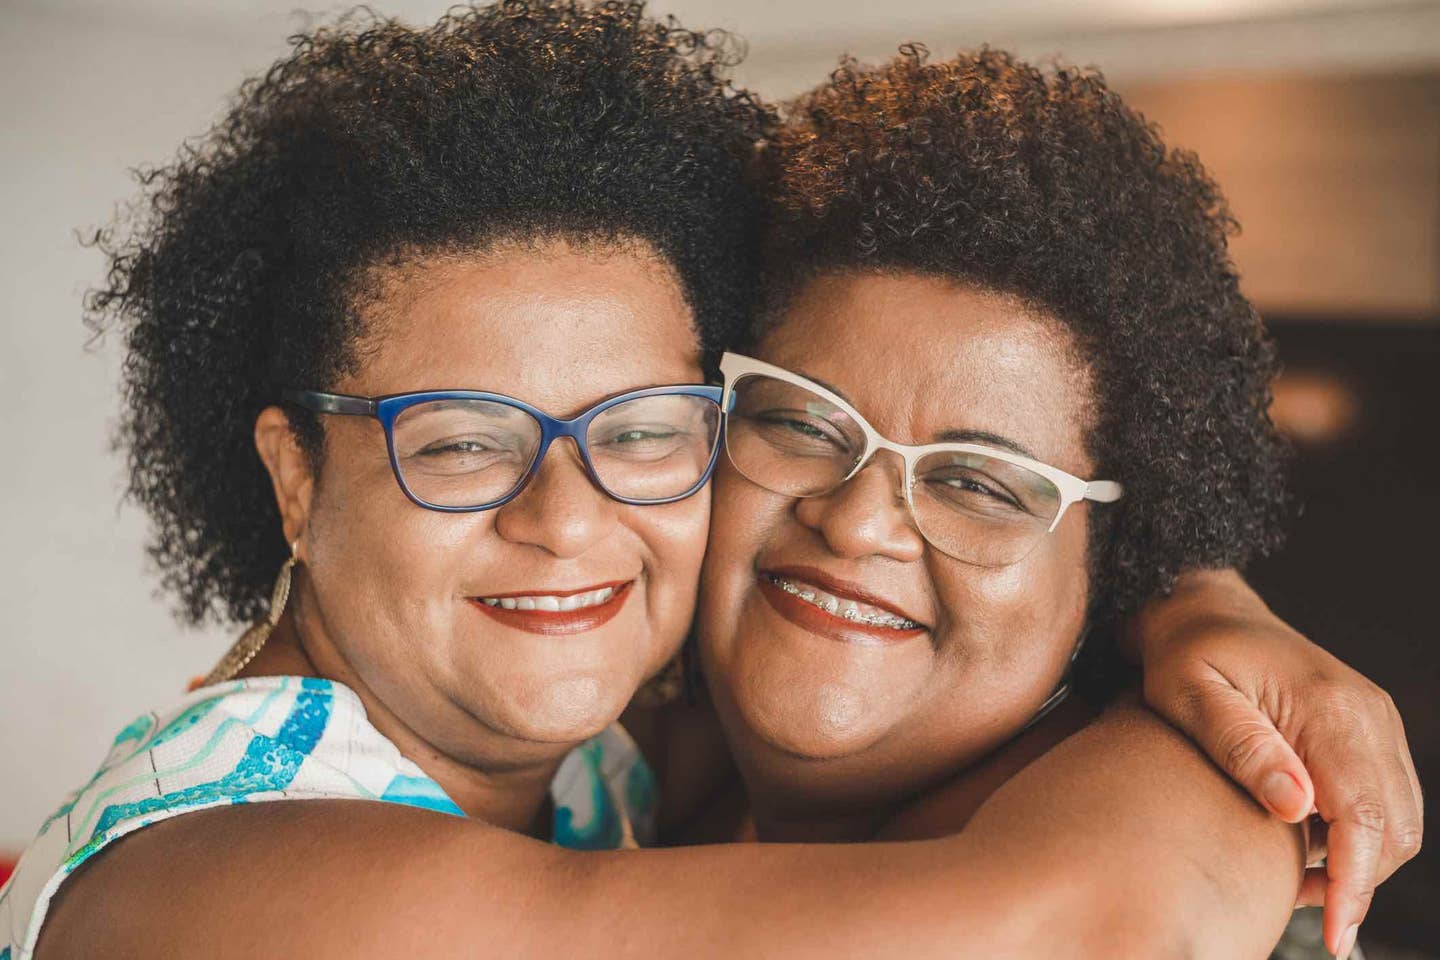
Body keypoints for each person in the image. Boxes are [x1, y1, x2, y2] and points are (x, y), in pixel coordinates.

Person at [0, 6, 1416, 959]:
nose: (567, 522)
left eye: (637, 431)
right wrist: (1240, 727)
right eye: (462, 441)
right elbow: (1096, 914)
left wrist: (1184, 591)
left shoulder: (603, 756)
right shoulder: (223, 888)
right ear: (293, 479)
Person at [688, 45, 1419, 958]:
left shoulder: (1182, 839)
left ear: (1118, 564)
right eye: (802, 424)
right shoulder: (636, 762)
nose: (856, 521)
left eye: (977, 484)